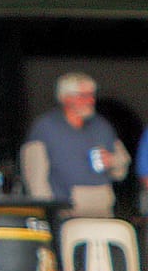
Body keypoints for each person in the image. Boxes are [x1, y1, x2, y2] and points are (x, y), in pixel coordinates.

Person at [21, 72, 129, 217]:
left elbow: (122, 166)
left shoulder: (102, 126)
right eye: (83, 96)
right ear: (65, 98)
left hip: (102, 204)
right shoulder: (45, 128)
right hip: (66, 208)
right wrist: (47, 211)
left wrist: (112, 161)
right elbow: (35, 178)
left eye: (91, 95)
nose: (90, 100)